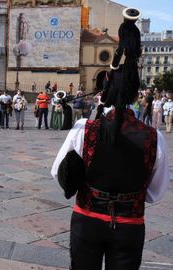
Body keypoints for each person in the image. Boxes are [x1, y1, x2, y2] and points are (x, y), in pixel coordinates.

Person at [51, 9, 170, 269]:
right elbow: (154, 194)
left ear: (107, 91)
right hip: (129, 225)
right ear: (136, 95)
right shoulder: (154, 137)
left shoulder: (84, 129)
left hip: (87, 220)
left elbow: (58, 172)